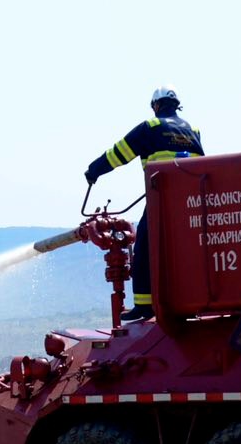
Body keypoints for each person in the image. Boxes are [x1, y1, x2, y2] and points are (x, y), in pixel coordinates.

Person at [85, 86, 204, 319]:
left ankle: (144, 304)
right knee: (185, 253)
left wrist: (93, 171)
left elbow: (118, 154)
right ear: (176, 105)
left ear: (156, 106)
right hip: (192, 202)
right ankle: (190, 302)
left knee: (145, 250)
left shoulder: (150, 128)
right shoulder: (194, 130)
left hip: (162, 198)